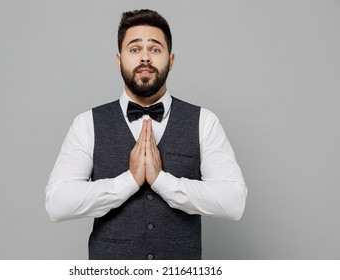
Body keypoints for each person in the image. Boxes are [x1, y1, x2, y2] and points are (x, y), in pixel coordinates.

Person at [45, 9, 247, 260]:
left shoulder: (204, 121)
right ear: (119, 60)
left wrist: (162, 181)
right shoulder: (86, 124)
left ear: (171, 60)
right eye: (134, 49)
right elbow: (57, 204)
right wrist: (128, 182)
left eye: (155, 49)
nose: (145, 58)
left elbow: (234, 202)